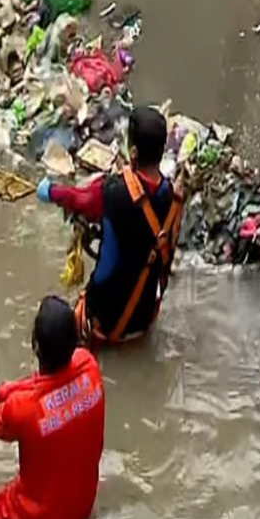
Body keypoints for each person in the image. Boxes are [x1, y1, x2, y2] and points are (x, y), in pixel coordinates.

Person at [0, 296, 104, 519]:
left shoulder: (22, 410)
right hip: (82, 508)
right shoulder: (88, 366)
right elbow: (39, 385)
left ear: (35, 345)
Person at [37, 106, 184, 348]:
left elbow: (79, 199)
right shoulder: (173, 198)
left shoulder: (113, 192)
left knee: (53, 321)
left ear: (133, 151)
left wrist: (50, 191)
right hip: (144, 319)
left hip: (103, 323)